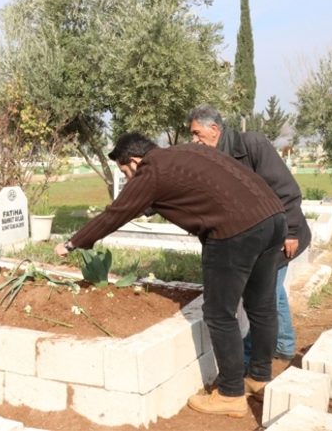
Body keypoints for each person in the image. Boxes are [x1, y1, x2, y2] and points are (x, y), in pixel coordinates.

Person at [55, 132, 286, 418]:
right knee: (261, 306)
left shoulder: (153, 170)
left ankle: (230, 394)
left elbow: (116, 213)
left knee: (219, 313)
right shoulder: (185, 153)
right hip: (273, 217)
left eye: (127, 172)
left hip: (235, 230)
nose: (129, 180)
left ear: (136, 161)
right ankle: (259, 377)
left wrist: (73, 243)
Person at [187, 104, 311, 363]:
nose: (194, 139)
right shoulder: (212, 159)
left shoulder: (252, 145)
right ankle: (283, 344)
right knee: (271, 293)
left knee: (266, 294)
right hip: (255, 238)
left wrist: (292, 231)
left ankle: (263, 349)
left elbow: (286, 189)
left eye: (197, 133)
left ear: (214, 129)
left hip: (281, 234)